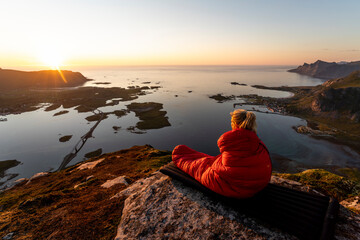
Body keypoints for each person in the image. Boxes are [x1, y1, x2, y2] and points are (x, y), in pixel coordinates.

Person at [172, 109, 272, 198]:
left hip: (238, 189)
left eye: (232, 122)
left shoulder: (229, 140)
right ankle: (181, 152)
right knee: (209, 161)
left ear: (236, 124)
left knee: (201, 166)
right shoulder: (258, 142)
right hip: (259, 185)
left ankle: (178, 154)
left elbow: (227, 169)